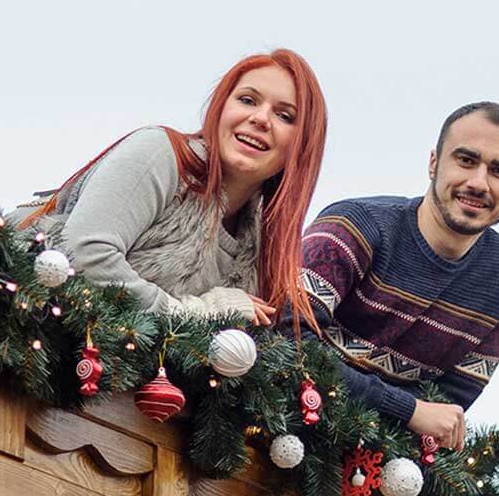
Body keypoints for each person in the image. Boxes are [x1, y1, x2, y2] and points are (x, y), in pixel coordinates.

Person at [19, 49, 328, 328]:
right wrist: (198, 311)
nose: (260, 119)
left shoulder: (266, 242)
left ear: (301, 149)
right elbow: (82, 253)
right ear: (220, 108)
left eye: (284, 116)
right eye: (247, 100)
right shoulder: (161, 154)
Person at [298, 102, 499, 451]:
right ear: (434, 163)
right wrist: (407, 409)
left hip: (377, 461)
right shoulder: (354, 225)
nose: (478, 182)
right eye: (466, 160)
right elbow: (287, 339)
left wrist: (413, 414)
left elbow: (448, 403)